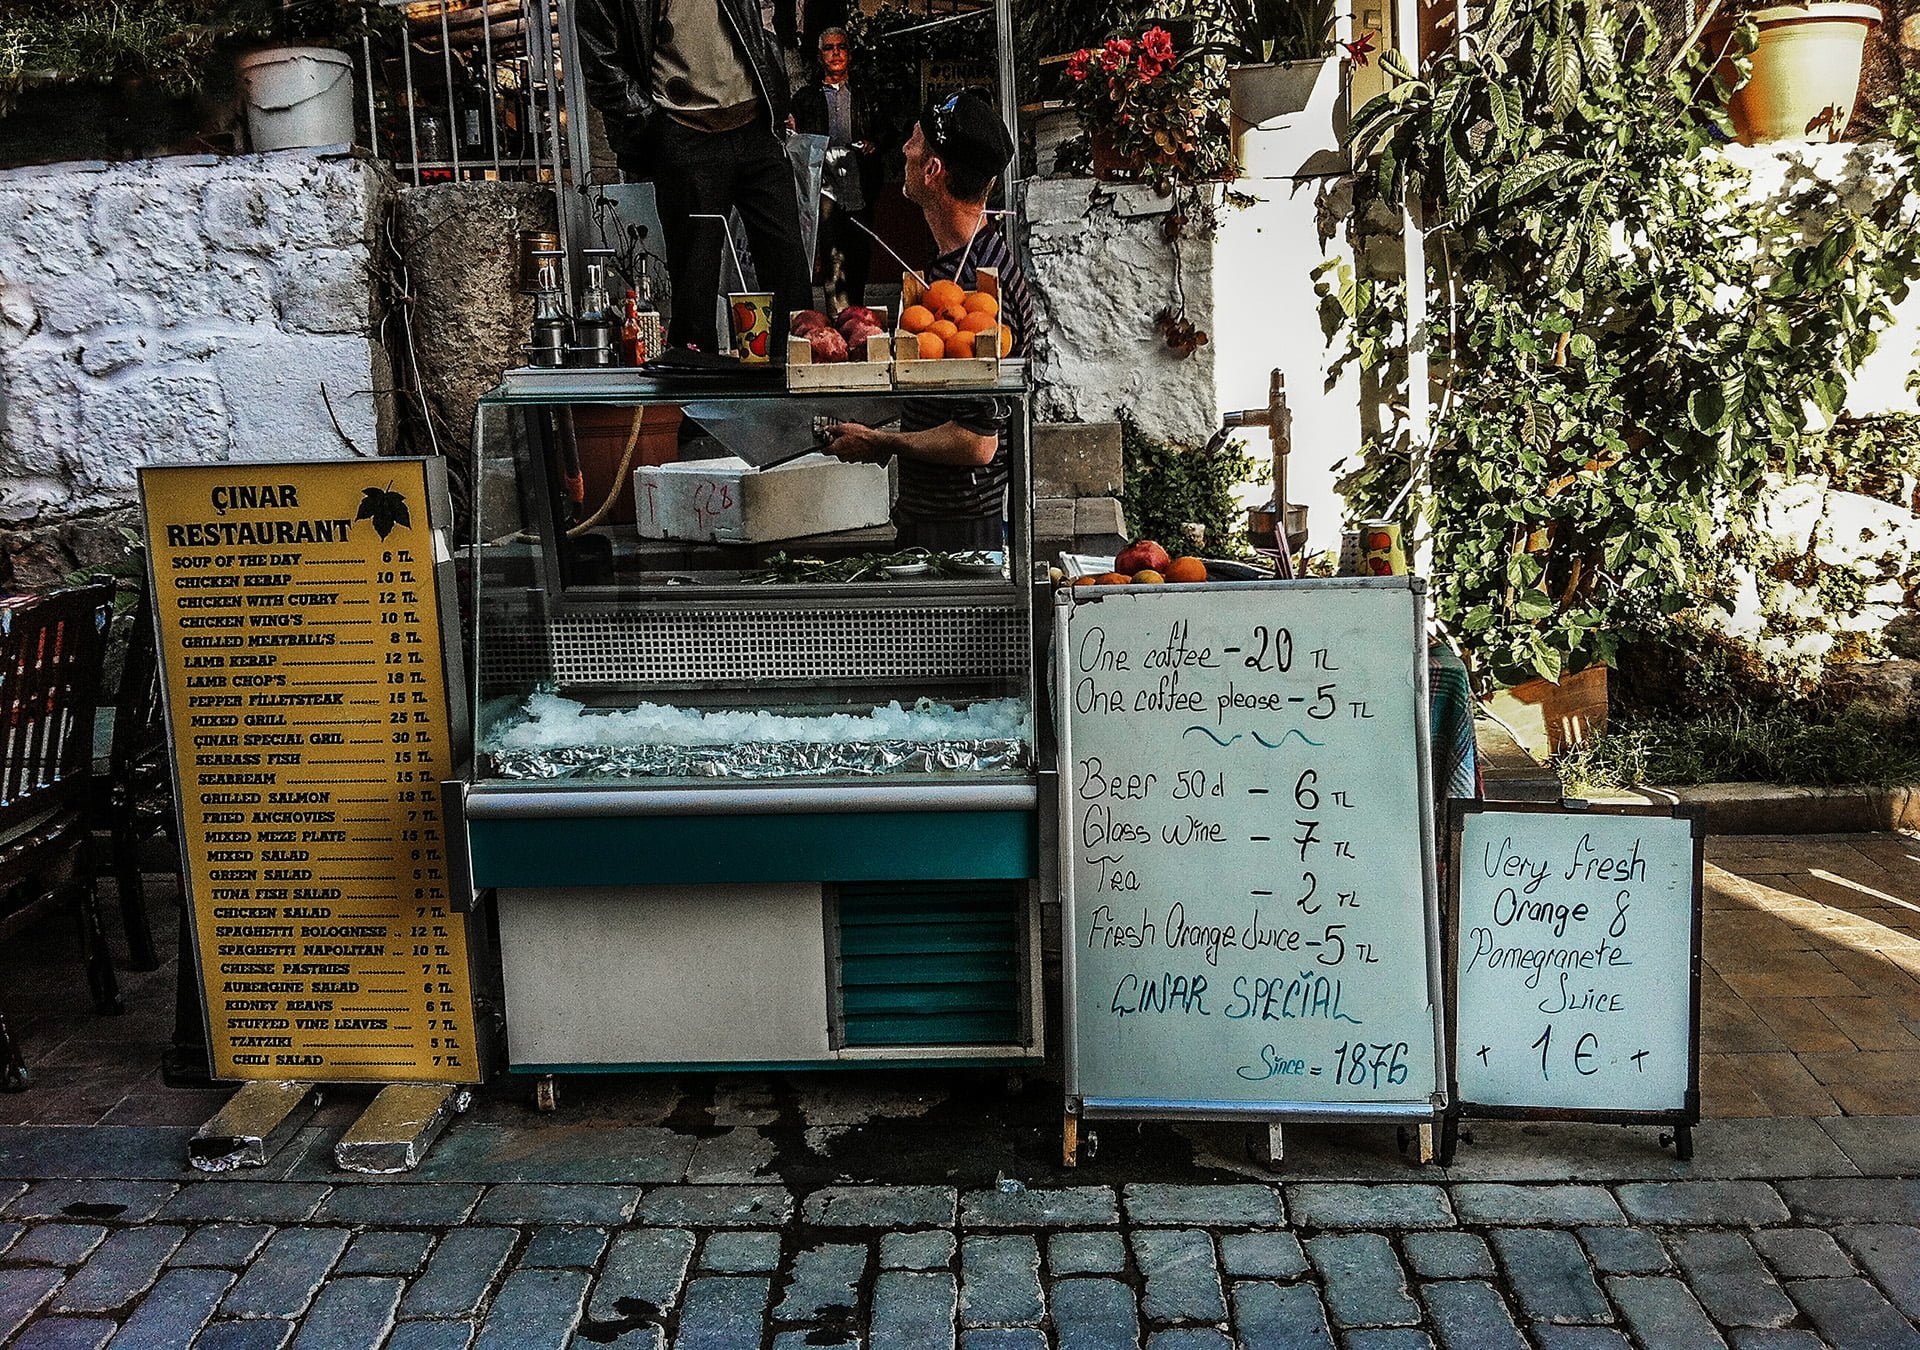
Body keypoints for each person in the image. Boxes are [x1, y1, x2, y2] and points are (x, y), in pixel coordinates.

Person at [823, 90, 1038, 552]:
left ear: (932, 169)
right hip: (933, 516)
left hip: (962, 526)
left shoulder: (980, 287)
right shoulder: (950, 269)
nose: (904, 148)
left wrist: (883, 442)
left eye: (915, 141)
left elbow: (977, 442)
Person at [576, 0, 813, 355]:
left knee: (789, 272)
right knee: (695, 287)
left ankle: (797, 372)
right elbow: (600, 60)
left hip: (754, 124)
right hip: (683, 131)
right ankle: (697, 383)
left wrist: (776, 101)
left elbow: (758, 26)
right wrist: (651, 124)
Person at [791, 27, 877, 314]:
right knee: (832, 255)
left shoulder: (865, 95)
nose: (836, 53)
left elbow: (886, 132)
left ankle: (858, 316)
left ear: (849, 54)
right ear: (820, 56)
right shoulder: (806, 98)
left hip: (858, 182)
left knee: (860, 251)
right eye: (829, 48)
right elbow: (796, 140)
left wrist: (873, 143)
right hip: (823, 184)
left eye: (841, 47)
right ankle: (838, 316)